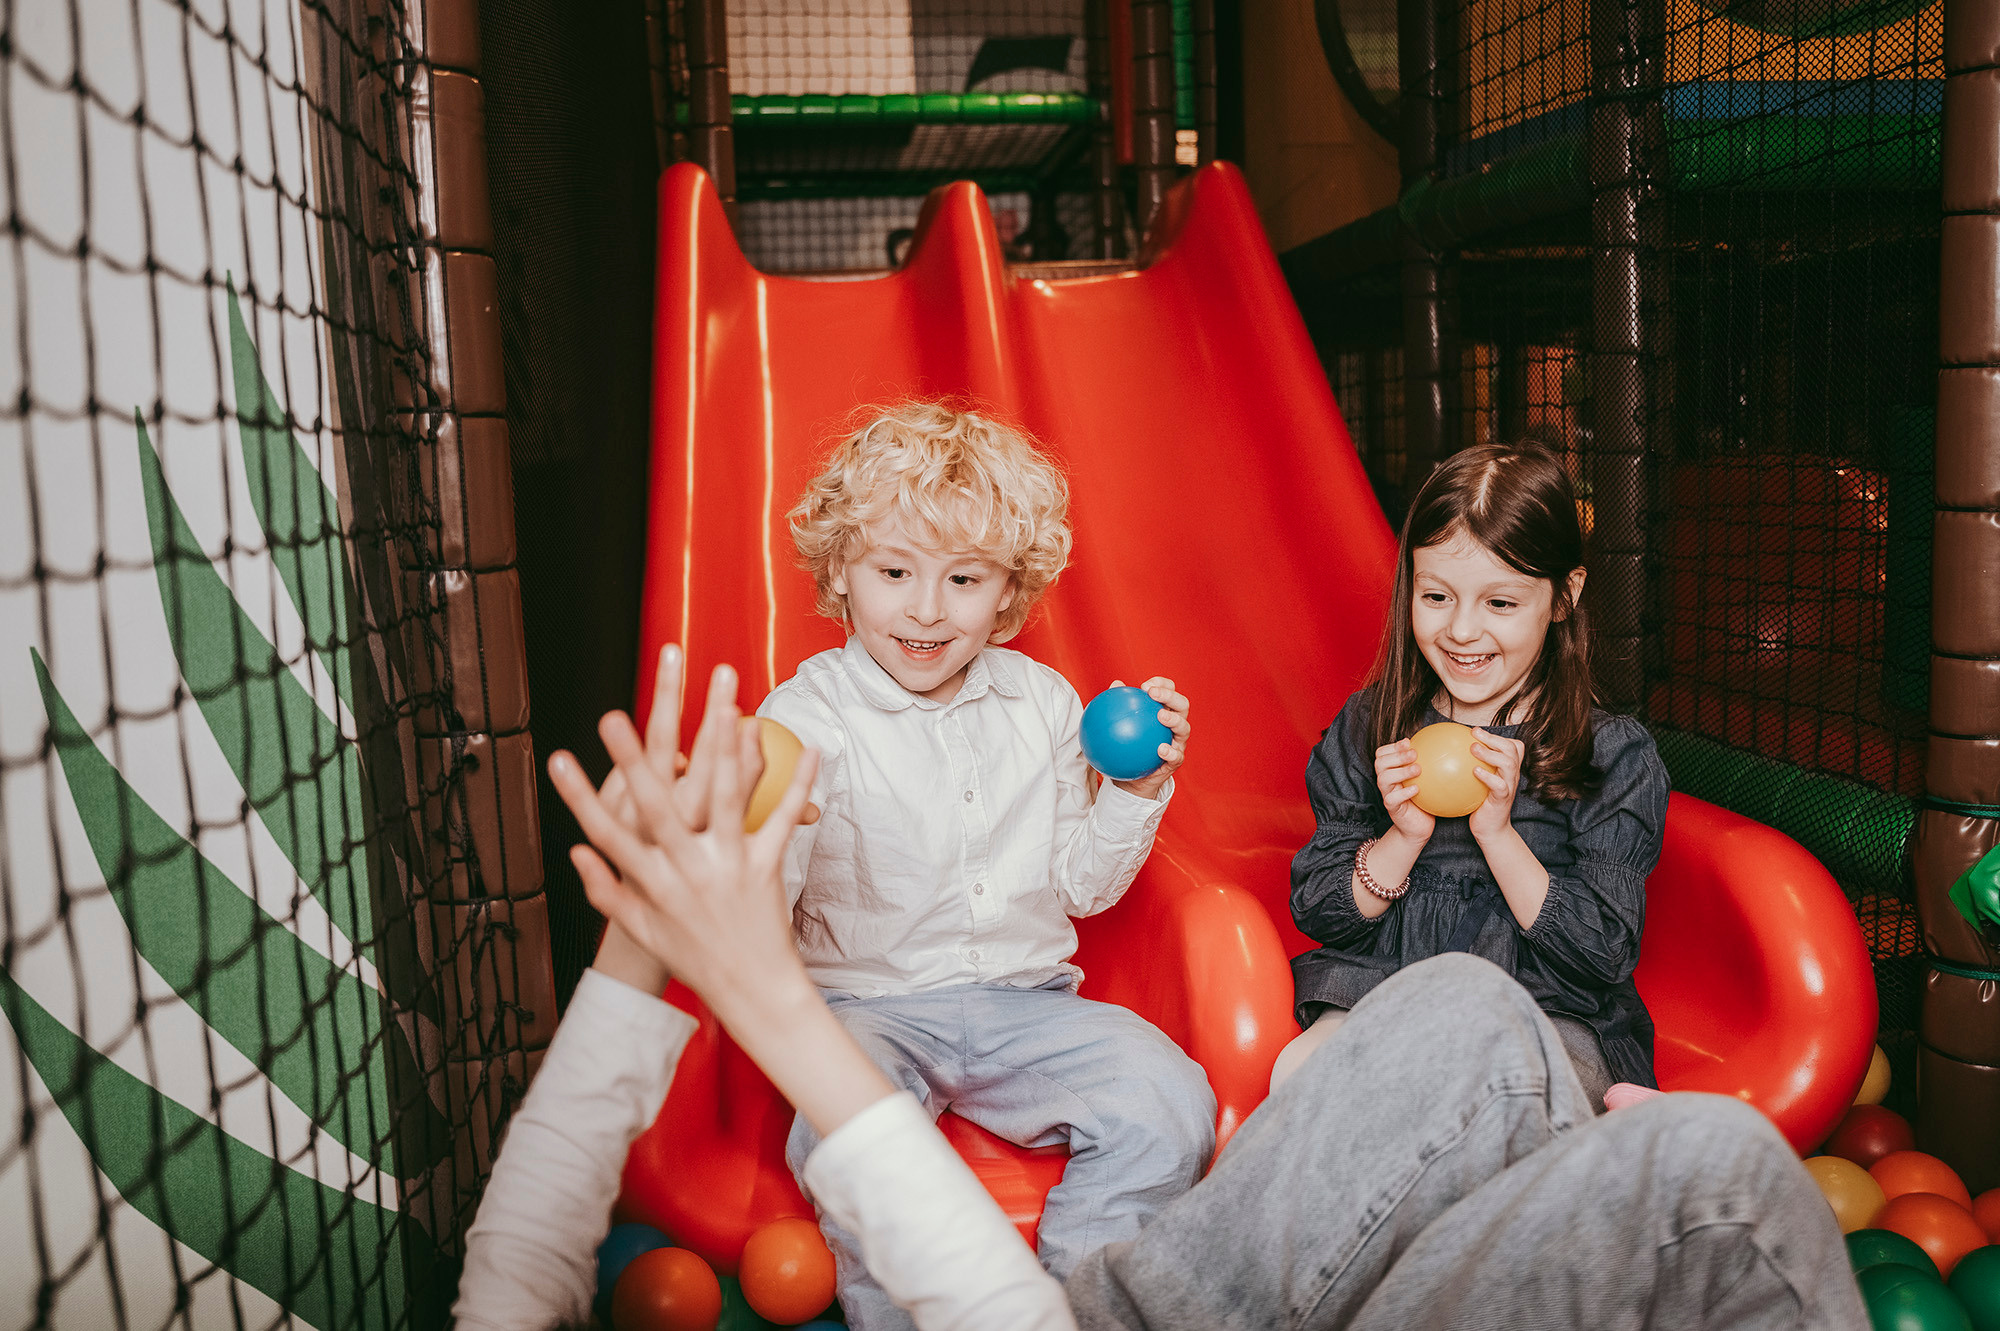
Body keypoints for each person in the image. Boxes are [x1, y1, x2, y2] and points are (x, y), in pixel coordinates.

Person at [452, 650, 1866, 1331]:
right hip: (987, 1203)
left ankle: (1548, 1174)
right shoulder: (829, 705)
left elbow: (530, 1224)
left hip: (1133, 1300)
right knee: (1718, 1175)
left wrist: (647, 929)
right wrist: (767, 985)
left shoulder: (1026, 706)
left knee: (1467, 1007)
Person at [756, 402, 1215, 1328]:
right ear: (842, 573)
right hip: (868, 1008)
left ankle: (1078, 1301)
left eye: (964, 578)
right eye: (894, 572)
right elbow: (765, 915)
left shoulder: (1042, 701)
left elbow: (1082, 885)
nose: (926, 609)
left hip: (1025, 1002)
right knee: (857, 1143)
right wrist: (754, 833)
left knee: (1172, 1100)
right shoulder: (807, 719)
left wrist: (1135, 787)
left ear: (1008, 594)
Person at [1276, 442, 1668, 1109]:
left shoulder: (1609, 752)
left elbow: (1602, 951)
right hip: (1391, 987)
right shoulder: (1372, 725)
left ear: (1563, 596)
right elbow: (1321, 908)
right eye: (1436, 595)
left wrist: (1498, 833)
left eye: (1500, 604)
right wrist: (1402, 837)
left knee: (1487, 1102)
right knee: (1298, 1073)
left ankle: (1599, 1150)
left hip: (1545, 1013)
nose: (1461, 629)